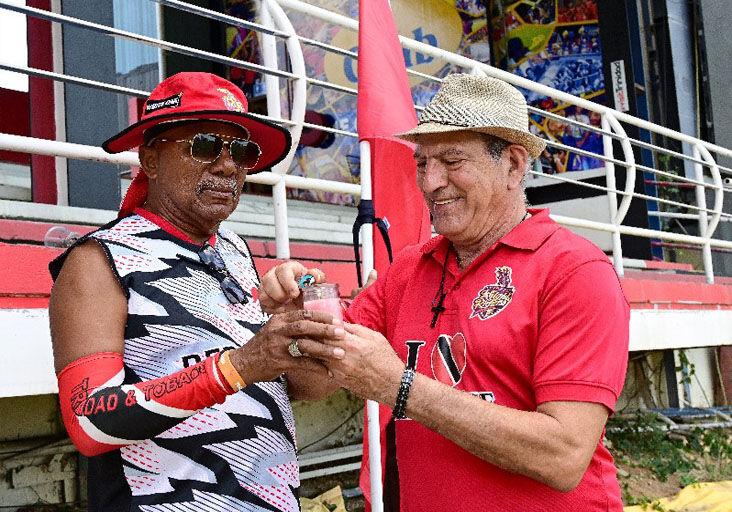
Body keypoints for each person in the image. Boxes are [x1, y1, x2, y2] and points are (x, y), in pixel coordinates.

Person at [259, 74, 630, 511]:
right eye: (422, 162)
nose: (430, 182)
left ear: (513, 165)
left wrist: (400, 387)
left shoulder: (575, 271)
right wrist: (296, 325)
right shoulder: (410, 270)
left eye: (452, 161)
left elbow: (564, 455)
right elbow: (315, 381)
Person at [48, 72, 341, 512]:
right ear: (150, 158)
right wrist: (239, 365)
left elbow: (305, 388)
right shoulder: (98, 259)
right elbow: (90, 422)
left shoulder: (236, 251)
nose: (227, 166)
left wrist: (301, 334)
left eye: (241, 152)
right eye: (204, 145)